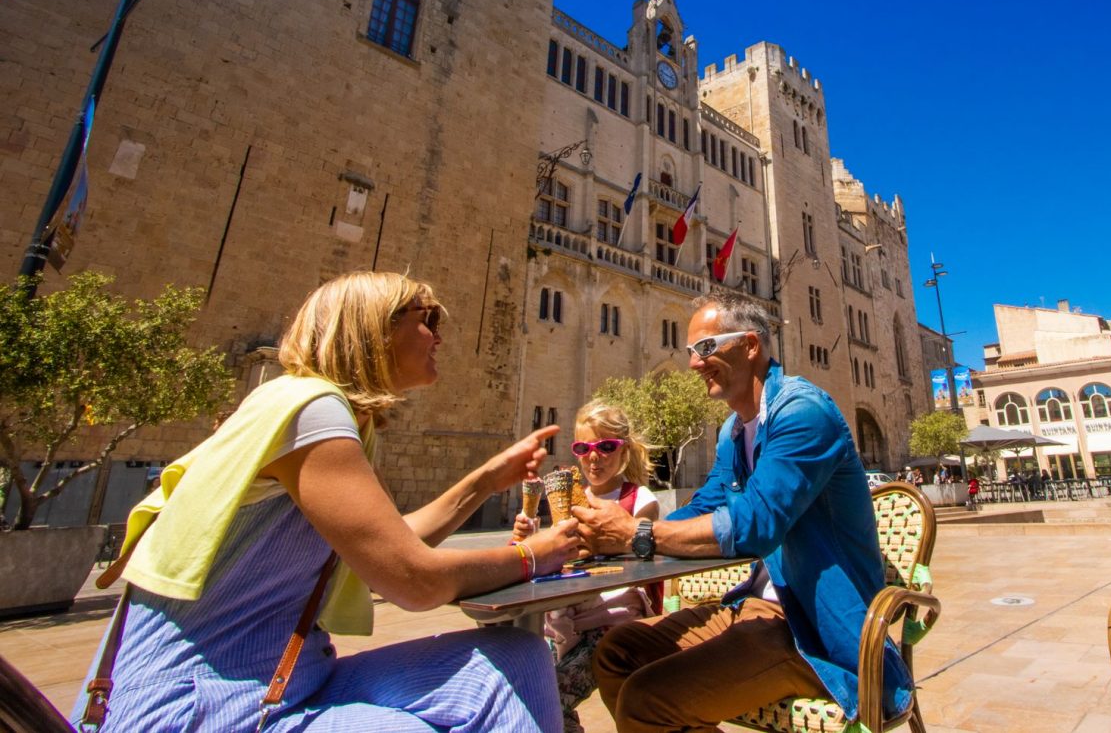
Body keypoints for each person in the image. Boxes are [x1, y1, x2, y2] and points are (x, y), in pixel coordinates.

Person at [75, 271, 580, 732]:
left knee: (517, 655)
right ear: (373, 330)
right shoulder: (312, 411)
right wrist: (537, 554)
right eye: (426, 319)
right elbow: (413, 578)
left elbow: (388, 546)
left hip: (290, 678)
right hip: (201, 702)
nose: (439, 335)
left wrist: (486, 480)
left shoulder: (316, 409)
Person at [572, 288, 912, 733]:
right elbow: (703, 506)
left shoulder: (803, 412)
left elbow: (756, 524)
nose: (694, 363)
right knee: (616, 652)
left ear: (751, 345)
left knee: (646, 700)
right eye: (692, 351)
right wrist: (608, 543)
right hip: (754, 609)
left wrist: (638, 535)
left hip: (812, 631)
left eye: (707, 348)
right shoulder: (733, 431)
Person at [514, 400, 660, 733]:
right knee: (524, 682)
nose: (594, 456)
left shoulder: (640, 500)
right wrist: (530, 537)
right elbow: (553, 557)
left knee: (545, 696)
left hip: (612, 621)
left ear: (623, 451)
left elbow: (642, 558)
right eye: (584, 447)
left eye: (605, 447)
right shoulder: (567, 501)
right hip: (566, 622)